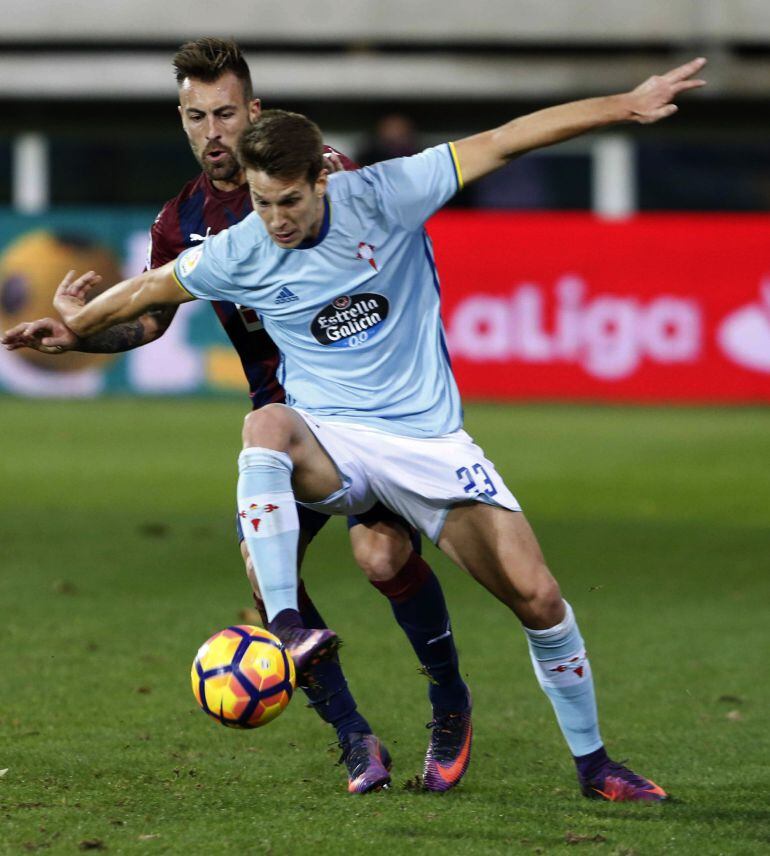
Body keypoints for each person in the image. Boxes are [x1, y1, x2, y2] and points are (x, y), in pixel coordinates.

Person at [6, 56, 707, 801]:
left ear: (320, 182)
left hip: (426, 440)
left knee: (533, 597)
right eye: (261, 202)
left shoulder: (385, 192)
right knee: (266, 430)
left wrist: (625, 104)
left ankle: (592, 764)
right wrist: (74, 327)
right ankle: (292, 638)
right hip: (325, 435)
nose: (273, 220)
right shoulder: (232, 243)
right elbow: (151, 290)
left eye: (286, 203)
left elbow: (507, 139)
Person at [1, 37, 471, 796]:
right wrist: (79, 336)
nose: (212, 131)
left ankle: (449, 700)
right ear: (181, 120)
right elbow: (146, 326)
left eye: (225, 113)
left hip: (362, 406)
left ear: (253, 110)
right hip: (281, 418)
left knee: (382, 561)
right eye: (196, 116)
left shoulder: (316, 177)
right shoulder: (180, 220)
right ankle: (354, 735)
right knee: (265, 574)